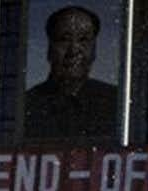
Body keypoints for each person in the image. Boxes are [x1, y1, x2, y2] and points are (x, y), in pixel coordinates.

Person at [22, 5, 120, 145]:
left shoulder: (116, 103)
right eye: (64, 39)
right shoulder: (26, 107)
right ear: (49, 48)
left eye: (84, 40)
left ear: (94, 50)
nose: (74, 50)